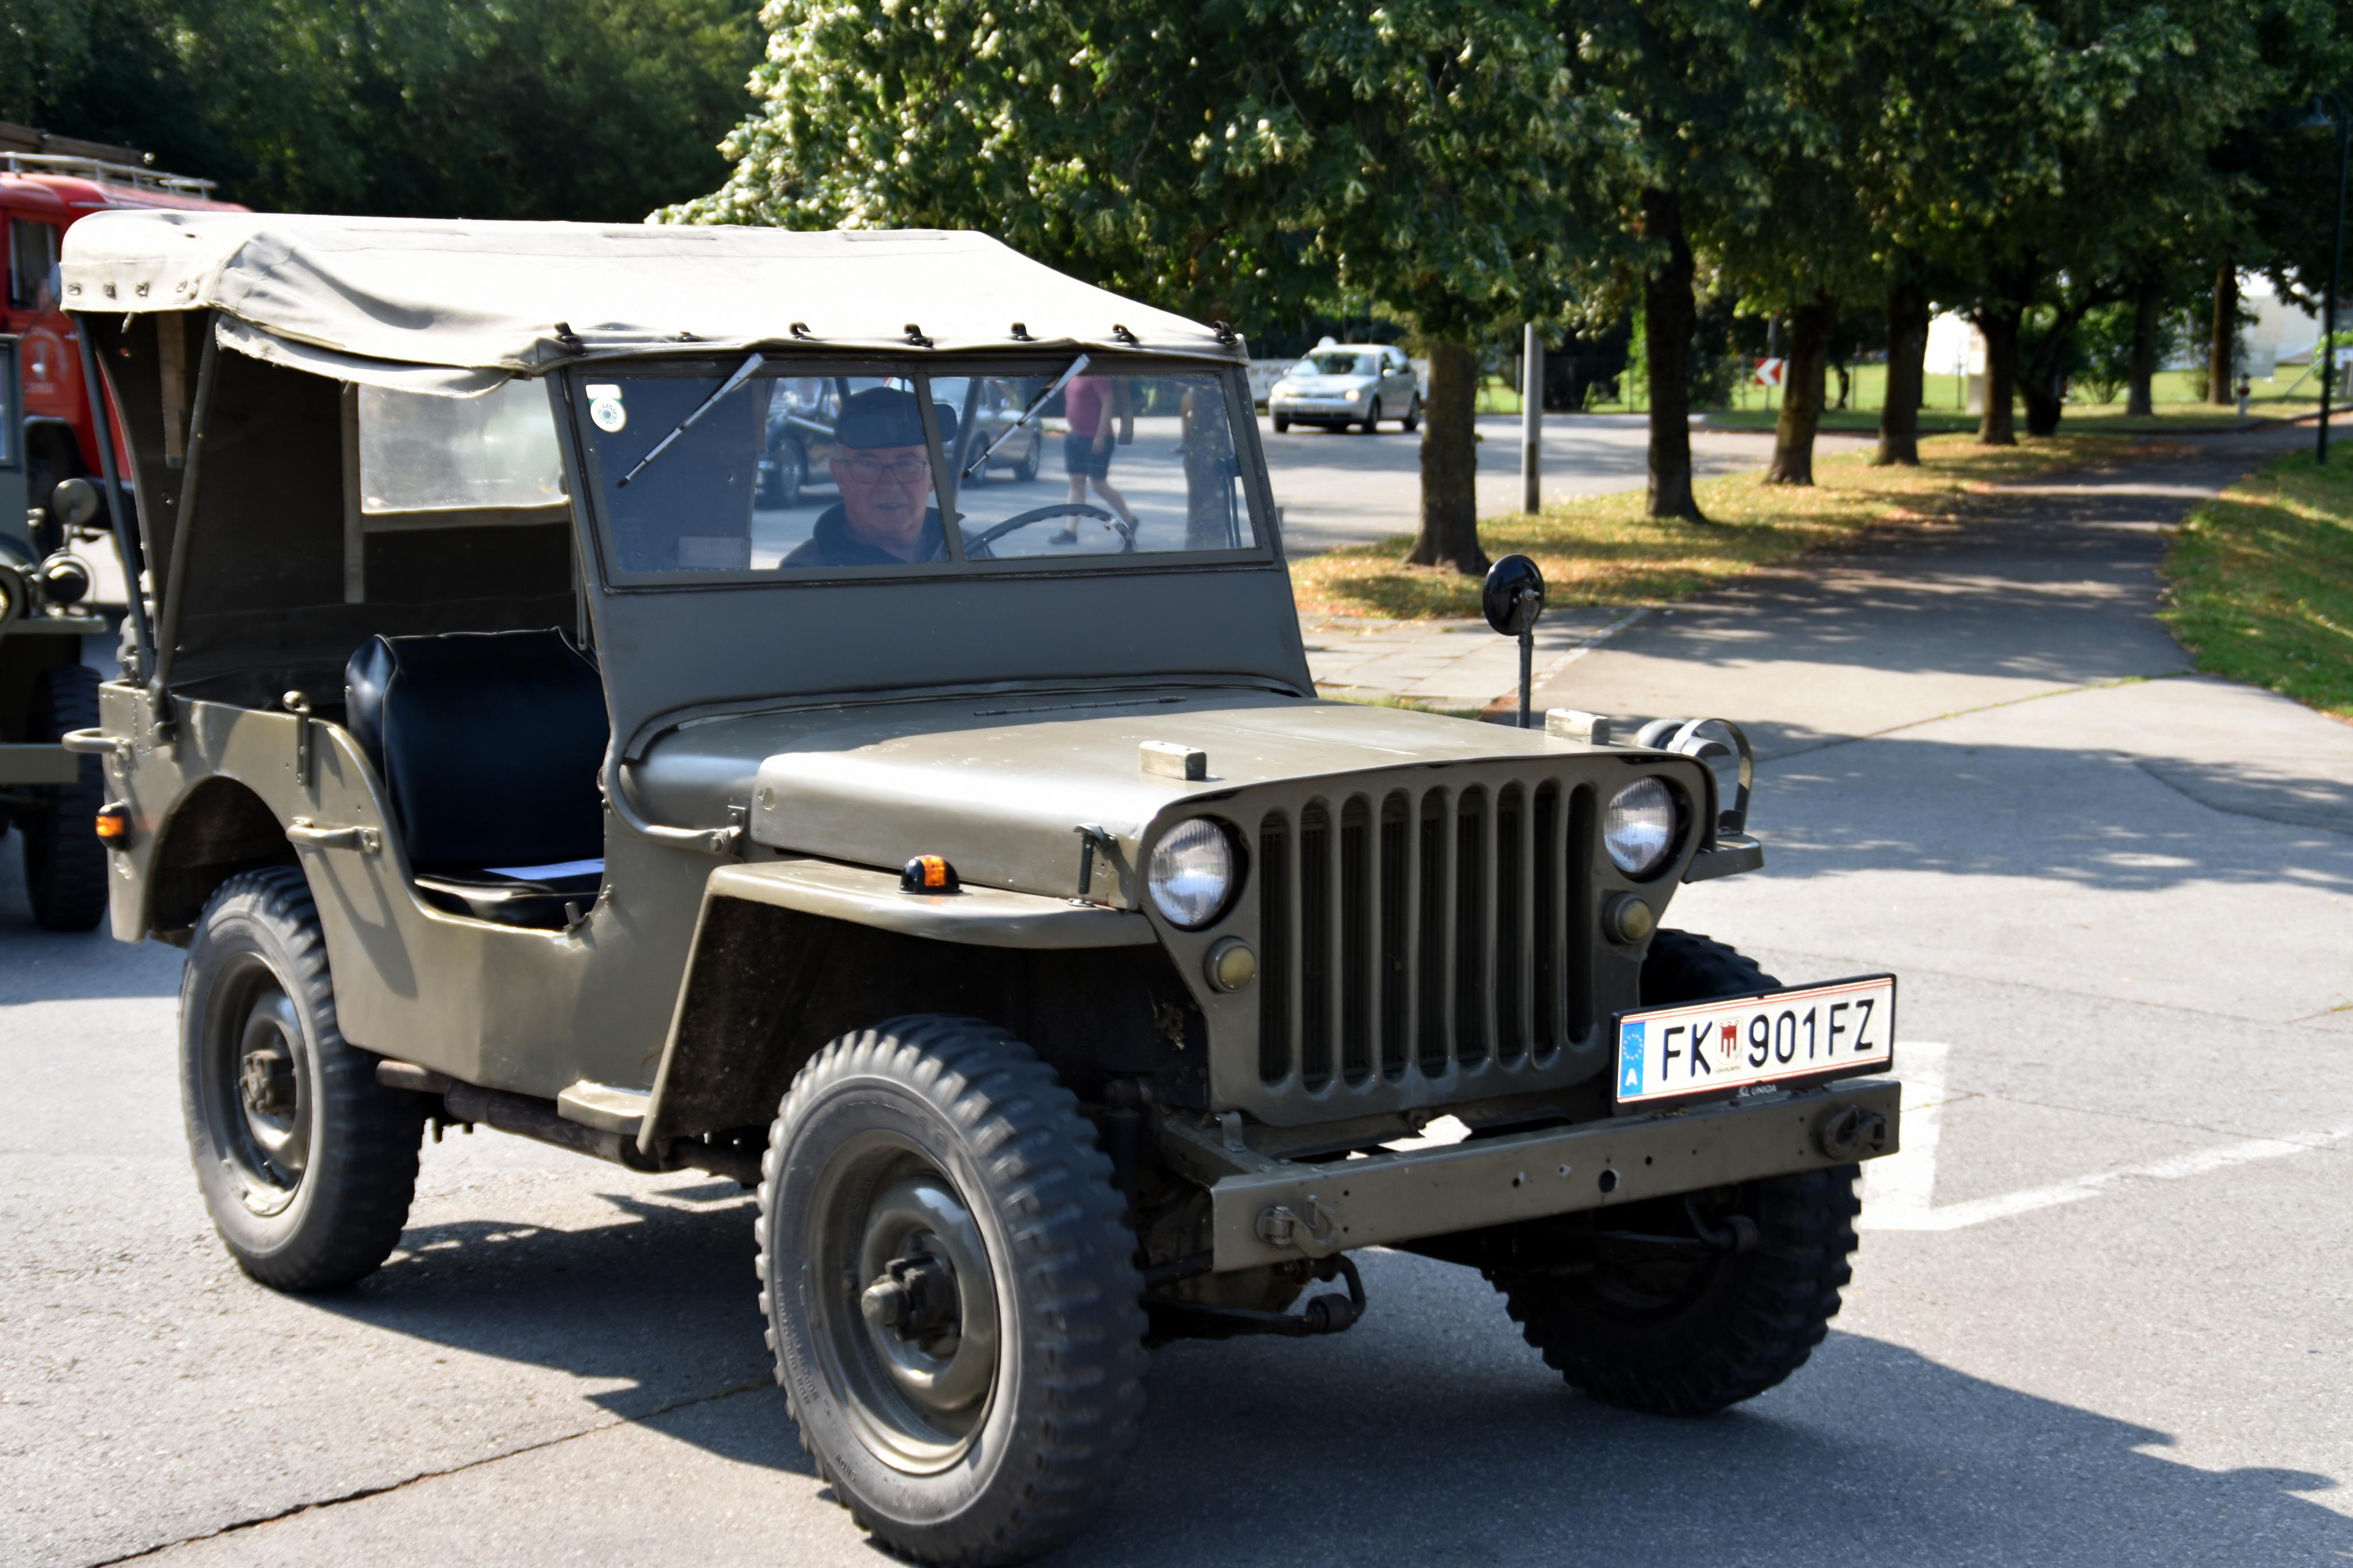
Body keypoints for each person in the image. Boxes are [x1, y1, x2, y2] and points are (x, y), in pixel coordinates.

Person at [782, 387, 975, 567]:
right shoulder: (804, 573)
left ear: (933, 475)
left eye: (907, 464)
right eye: (869, 465)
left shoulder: (970, 551)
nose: (890, 484)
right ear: (839, 474)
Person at [1051, 373, 1139, 545]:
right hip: (1076, 437)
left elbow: (1108, 403)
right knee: (1076, 482)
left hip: (1096, 437)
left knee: (1098, 484)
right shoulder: (1074, 375)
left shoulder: (1097, 375)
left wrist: (1100, 436)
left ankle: (1130, 520)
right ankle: (1070, 531)